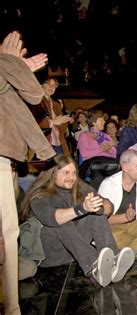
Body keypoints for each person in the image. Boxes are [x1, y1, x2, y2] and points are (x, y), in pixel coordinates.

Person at [19, 154, 135, 287]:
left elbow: (109, 208)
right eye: (66, 172)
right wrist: (82, 208)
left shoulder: (78, 186)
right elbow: (51, 218)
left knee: (96, 215)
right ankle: (94, 267)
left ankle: (112, 260)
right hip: (49, 254)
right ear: (52, 174)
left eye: (74, 173)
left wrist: (100, 206)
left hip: (74, 250)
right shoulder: (40, 195)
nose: (71, 177)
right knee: (61, 222)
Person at [0, 30, 54, 315]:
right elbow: (35, 94)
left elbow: (29, 97)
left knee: (9, 235)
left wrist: (15, 68)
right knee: (8, 234)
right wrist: (9, 64)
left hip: (6, 154)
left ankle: (11, 305)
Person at [77, 110, 118, 189]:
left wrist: (108, 148)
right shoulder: (84, 135)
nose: (104, 122)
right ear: (93, 122)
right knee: (98, 175)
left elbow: (114, 154)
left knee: (117, 171)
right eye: (101, 120)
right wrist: (101, 149)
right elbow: (84, 153)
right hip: (92, 163)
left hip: (108, 163)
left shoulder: (105, 136)